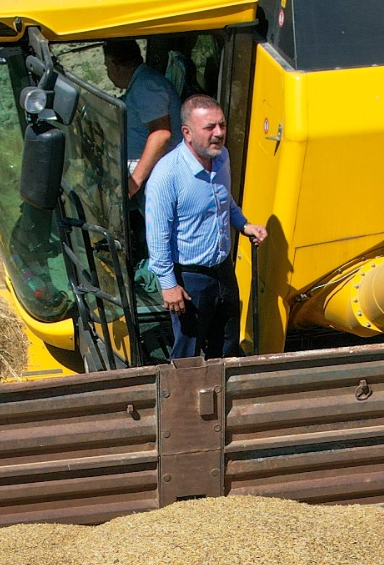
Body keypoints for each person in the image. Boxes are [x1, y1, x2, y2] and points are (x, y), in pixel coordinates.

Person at [143, 95, 266, 359]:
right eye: (209, 127)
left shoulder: (222, 158)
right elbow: (157, 237)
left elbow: (223, 200)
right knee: (188, 351)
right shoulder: (166, 177)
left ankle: (224, 397)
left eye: (221, 125)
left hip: (223, 270)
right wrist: (168, 284)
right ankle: (183, 400)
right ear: (187, 133)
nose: (219, 133)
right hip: (190, 280)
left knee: (227, 343)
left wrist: (243, 224)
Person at [102, 39, 180, 200]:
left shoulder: (146, 86)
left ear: (114, 64)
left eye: (107, 67)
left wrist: (133, 182)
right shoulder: (140, 84)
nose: (108, 72)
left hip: (151, 178)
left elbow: (161, 134)